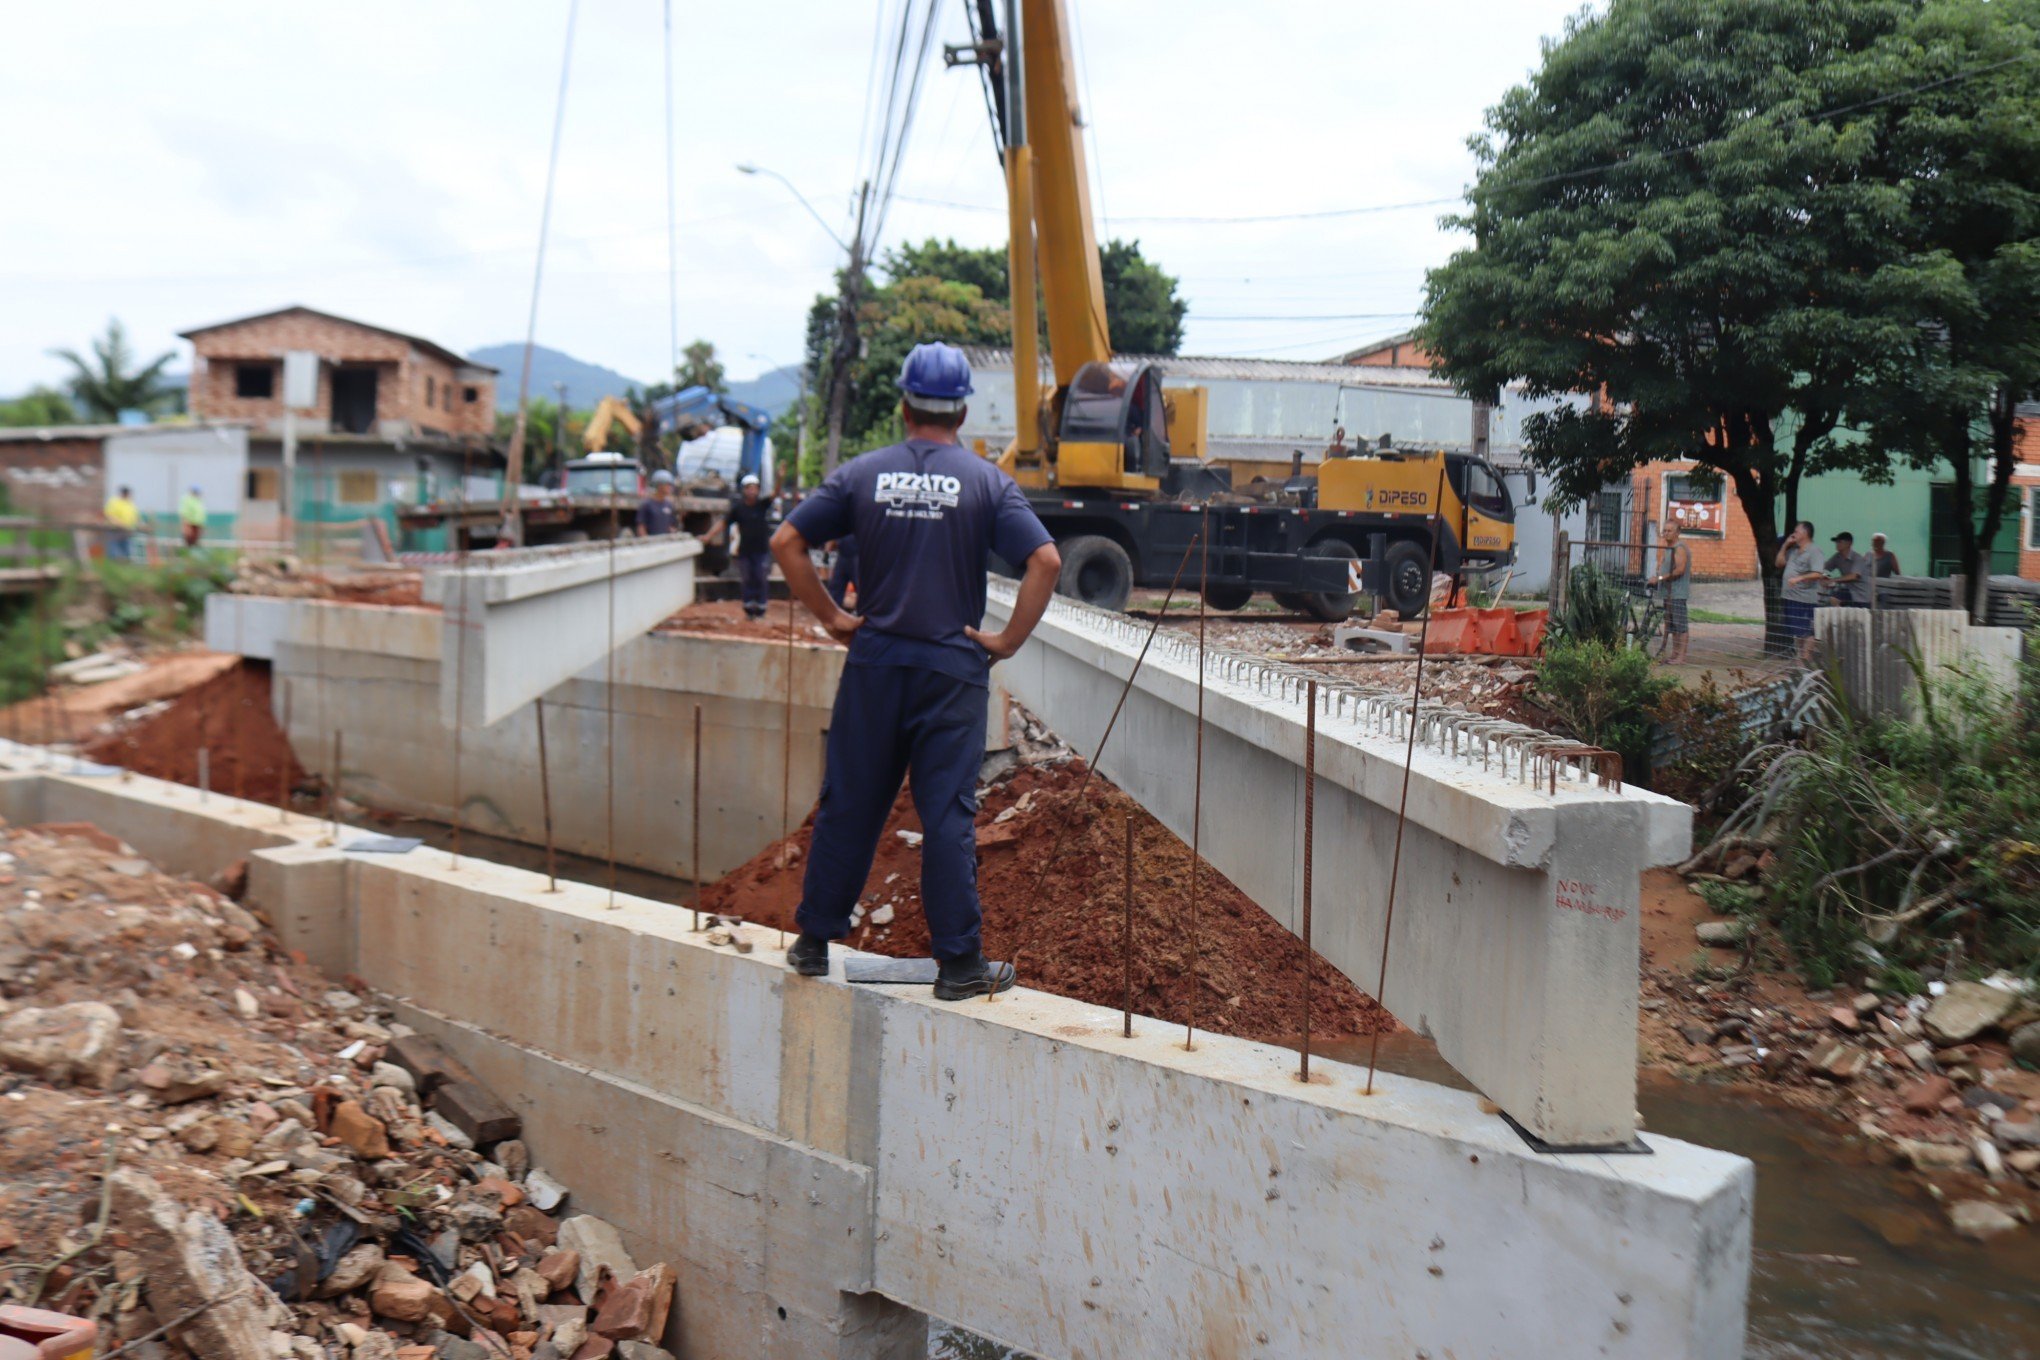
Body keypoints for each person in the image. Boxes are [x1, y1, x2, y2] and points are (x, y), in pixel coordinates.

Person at [769, 341, 1062, 1000]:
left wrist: (833, 619)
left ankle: (814, 942)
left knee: (850, 802)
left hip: (875, 662)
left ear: (903, 404)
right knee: (947, 818)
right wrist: (1006, 641)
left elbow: (786, 542)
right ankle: (959, 966)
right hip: (953, 671)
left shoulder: (861, 474)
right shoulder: (988, 482)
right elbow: (1045, 561)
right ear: (961, 409)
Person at [705, 474, 778, 619]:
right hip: (745, 551)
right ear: (743, 490)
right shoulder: (738, 509)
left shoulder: (762, 505)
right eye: (748, 488)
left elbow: (775, 493)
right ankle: (749, 609)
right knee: (747, 579)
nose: (752, 491)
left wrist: (780, 478)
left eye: (754, 488)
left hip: (761, 551)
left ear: (758, 490)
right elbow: (723, 523)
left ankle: (761, 608)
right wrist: (708, 536)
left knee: (760, 578)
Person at [1776, 520, 1825, 665]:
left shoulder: (1814, 551)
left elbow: (1817, 573)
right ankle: (1800, 660)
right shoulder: (1794, 551)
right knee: (1797, 632)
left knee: (1806, 632)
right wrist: (1785, 545)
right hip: (1790, 597)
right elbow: (1778, 563)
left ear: (1805, 533)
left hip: (1804, 599)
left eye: (1796, 532)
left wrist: (1799, 578)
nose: (1794, 534)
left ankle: (1805, 660)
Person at [1650, 520, 1691, 664]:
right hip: (1668, 593)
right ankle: (1675, 654)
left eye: (1669, 531)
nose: (1666, 533)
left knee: (1680, 625)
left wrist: (1660, 577)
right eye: (1665, 530)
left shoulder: (1679, 548)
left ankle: (1681, 656)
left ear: (1677, 532)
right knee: (1672, 624)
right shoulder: (1669, 548)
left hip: (1677, 592)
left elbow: (1679, 570)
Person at [1825, 531, 1867, 608]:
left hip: (1862, 596)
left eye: (1840, 542)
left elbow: (1854, 576)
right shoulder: (1837, 557)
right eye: (1836, 542)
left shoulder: (1857, 558)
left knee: (1834, 599)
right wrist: (1823, 576)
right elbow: (1824, 567)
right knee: (1833, 599)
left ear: (1849, 543)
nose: (1837, 544)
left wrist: (1834, 580)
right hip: (1848, 592)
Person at [636, 469, 679, 538]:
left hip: (665, 543)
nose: (670, 488)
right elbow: (641, 526)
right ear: (659, 485)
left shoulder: (669, 505)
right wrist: (646, 542)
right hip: (652, 543)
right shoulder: (647, 505)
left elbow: (671, 526)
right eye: (667, 484)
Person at [102, 485, 140, 561]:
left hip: (126, 531)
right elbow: (109, 515)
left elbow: (135, 517)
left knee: (126, 550)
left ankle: (124, 566)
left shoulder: (130, 504)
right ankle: (113, 565)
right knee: (114, 550)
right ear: (123, 493)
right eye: (127, 494)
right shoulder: (114, 502)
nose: (128, 496)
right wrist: (119, 523)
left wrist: (136, 524)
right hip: (114, 530)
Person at [825, 533, 858, 609]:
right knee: (835, 587)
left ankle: (867, 615)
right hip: (842, 555)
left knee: (862, 587)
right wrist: (827, 550)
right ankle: (833, 614)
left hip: (857, 555)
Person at [177, 485, 207, 550]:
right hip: (190, 522)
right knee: (189, 539)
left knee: (195, 540)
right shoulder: (187, 500)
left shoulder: (198, 501)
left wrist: (202, 525)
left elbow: (200, 514)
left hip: (197, 523)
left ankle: (192, 549)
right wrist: (186, 523)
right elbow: (184, 512)